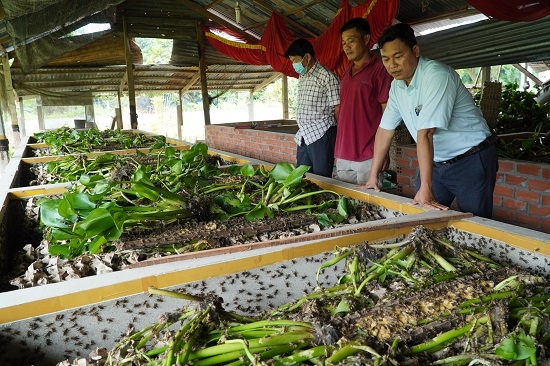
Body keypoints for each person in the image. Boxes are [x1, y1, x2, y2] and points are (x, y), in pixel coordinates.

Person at [363, 23, 498, 218]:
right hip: (437, 163)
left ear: (415, 50)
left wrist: (426, 185)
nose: (392, 65)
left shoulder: (437, 75)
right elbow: (385, 130)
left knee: (473, 223)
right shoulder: (396, 86)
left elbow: (425, 133)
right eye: (386, 59)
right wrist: (373, 176)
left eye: (398, 56)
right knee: (423, 217)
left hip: (471, 159)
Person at [334, 17, 393, 185]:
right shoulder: (347, 72)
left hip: (369, 153)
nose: (346, 47)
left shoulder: (380, 69)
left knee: (368, 206)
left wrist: (384, 150)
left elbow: (386, 110)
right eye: (344, 42)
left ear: (366, 39)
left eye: (351, 41)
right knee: (344, 204)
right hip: (343, 152)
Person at [284, 38, 340, 177]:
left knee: (321, 179)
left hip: (322, 134)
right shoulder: (303, 76)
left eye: (295, 60)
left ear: (307, 57)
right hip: (304, 135)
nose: (294, 65)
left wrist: (338, 135)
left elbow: (338, 107)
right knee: (302, 177)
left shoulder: (327, 76)